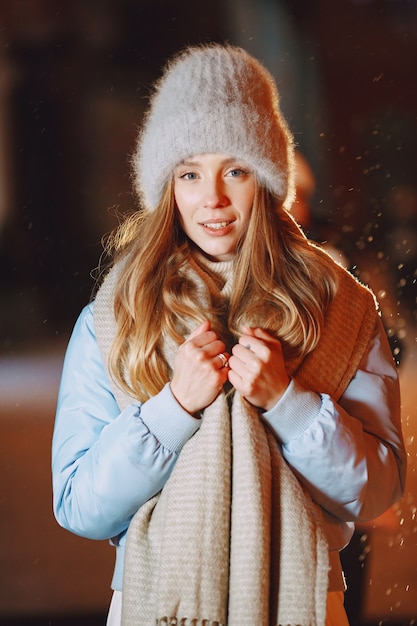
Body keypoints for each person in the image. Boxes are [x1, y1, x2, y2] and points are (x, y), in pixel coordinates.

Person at [52, 44, 406, 626]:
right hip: (151, 605)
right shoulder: (115, 317)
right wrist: (171, 410)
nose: (212, 198)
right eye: (190, 173)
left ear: (267, 179)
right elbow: (80, 506)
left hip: (306, 603)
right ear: (168, 187)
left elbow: (378, 490)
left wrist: (289, 406)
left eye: (234, 170)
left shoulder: (341, 310)